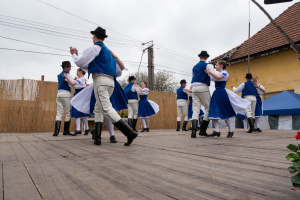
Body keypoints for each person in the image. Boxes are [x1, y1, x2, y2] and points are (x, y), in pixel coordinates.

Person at [70, 26, 138, 146]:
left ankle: (129, 132)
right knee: (98, 109)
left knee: (106, 108)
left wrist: (74, 55)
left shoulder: (95, 48)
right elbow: (118, 72)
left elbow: (80, 63)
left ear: (94, 36)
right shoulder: (108, 53)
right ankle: (97, 137)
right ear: (104, 38)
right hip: (111, 83)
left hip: (100, 81)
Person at [71, 65, 128, 144]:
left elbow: (119, 71)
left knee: (107, 111)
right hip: (105, 85)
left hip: (109, 85)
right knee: (104, 111)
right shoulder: (107, 61)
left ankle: (104, 134)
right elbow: (119, 71)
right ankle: (108, 135)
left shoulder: (104, 61)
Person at [205, 61, 251, 138]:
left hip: (222, 93)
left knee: (224, 111)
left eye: (216, 65)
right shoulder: (219, 74)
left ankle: (230, 130)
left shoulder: (225, 73)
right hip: (216, 92)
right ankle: (217, 130)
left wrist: (210, 72)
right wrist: (209, 73)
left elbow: (218, 77)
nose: (215, 67)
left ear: (221, 65)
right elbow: (214, 78)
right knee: (213, 111)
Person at [191, 51, 213, 138]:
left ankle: (193, 131)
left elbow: (193, 77)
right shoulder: (208, 65)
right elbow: (212, 76)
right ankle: (202, 131)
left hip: (194, 87)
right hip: (203, 86)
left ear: (199, 57)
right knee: (208, 108)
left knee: (196, 109)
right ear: (206, 58)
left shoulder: (194, 66)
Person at [63, 68, 90, 136]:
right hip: (81, 96)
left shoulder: (81, 79)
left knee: (76, 111)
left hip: (79, 97)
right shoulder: (82, 79)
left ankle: (78, 129)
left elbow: (72, 83)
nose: (76, 73)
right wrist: (76, 79)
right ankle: (87, 128)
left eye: (77, 72)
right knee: (82, 113)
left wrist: (67, 77)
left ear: (81, 72)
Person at [53, 61, 73, 136]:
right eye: (69, 67)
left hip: (59, 94)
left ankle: (56, 131)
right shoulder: (68, 75)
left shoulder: (59, 75)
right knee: (68, 112)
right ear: (66, 67)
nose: (70, 69)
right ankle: (65, 131)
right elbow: (72, 84)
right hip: (66, 94)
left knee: (59, 112)